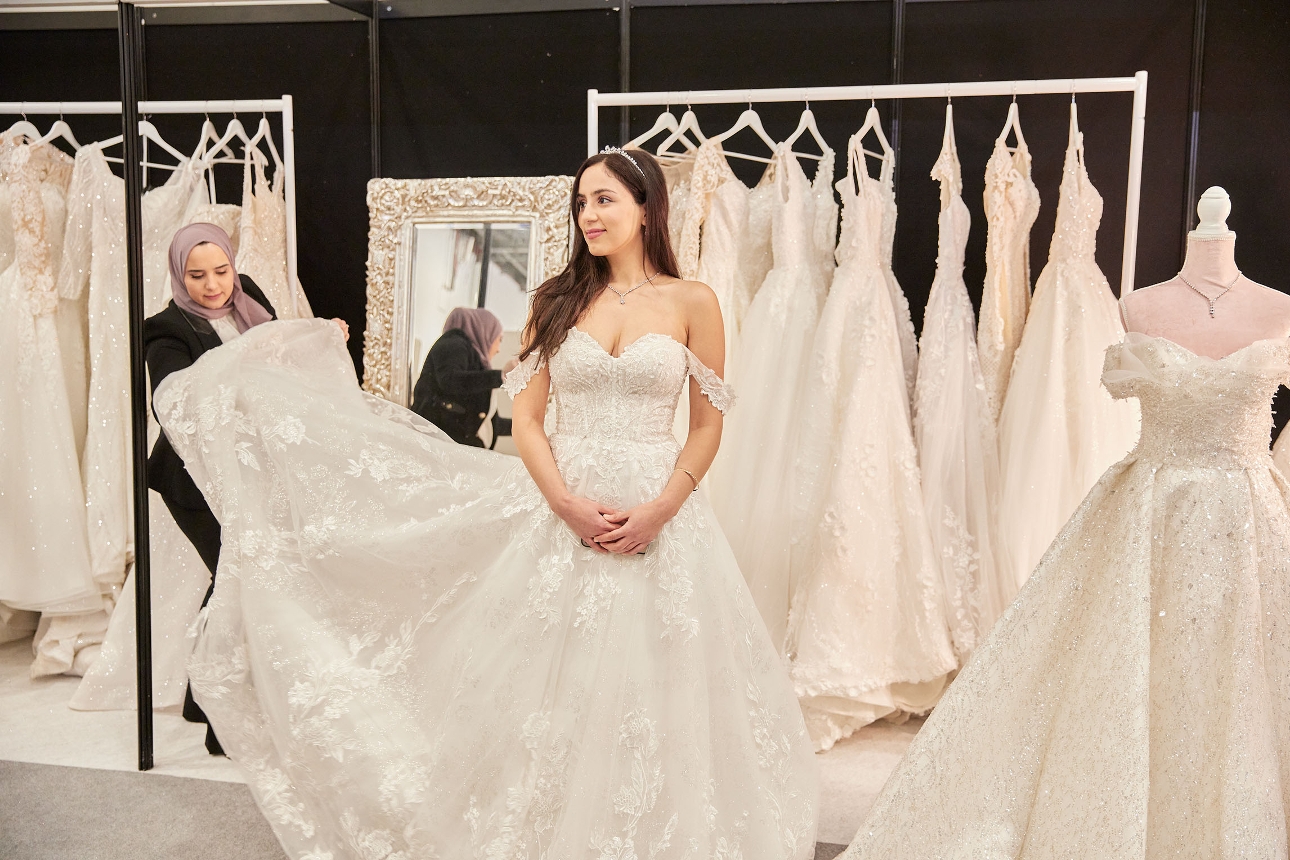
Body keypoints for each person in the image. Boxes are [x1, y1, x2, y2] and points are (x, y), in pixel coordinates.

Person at [152, 148, 817, 858]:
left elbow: (709, 425)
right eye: (582, 203)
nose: (588, 215)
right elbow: (528, 420)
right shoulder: (557, 299)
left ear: (647, 206)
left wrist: (663, 507)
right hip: (565, 511)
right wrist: (561, 500)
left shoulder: (694, 303)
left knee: (661, 685)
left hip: (663, 519)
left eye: (604, 201)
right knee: (550, 694)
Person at [143, 222, 348, 755]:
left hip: (252, 467)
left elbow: (281, 358)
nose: (212, 286)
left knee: (242, 575)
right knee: (239, 576)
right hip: (191, 479)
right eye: (196, 276)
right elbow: (173, 400)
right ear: (178, 274)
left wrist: (320, 336)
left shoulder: (248, 295)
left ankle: (204, 697)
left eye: (221, 271)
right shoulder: (164, 329)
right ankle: (222, 721)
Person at [411, 307, 515, 446]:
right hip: (435, 446)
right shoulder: (453, 344)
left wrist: (532, 426)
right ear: (485, 330)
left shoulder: (473, 363)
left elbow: (491, 424)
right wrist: (500, 376)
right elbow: (451, 381)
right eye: (499, 339)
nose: (498, 349)